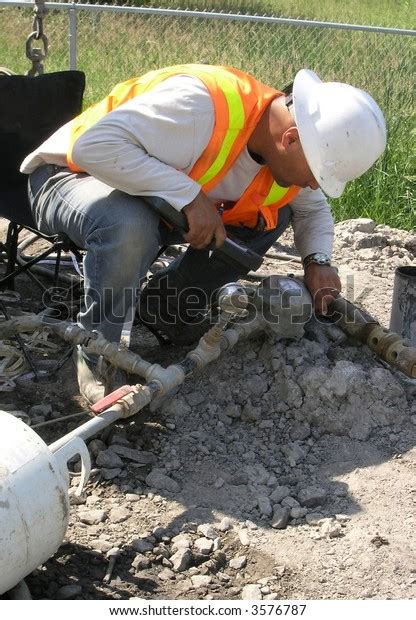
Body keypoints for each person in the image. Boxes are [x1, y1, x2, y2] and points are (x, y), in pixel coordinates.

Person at [20, 64, 386, 404]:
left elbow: (313, 210)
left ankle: (166, 306)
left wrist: (317, 260)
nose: (313, 184)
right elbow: (92, 147)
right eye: (317, 174)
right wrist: (190, 196)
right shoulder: (200, 108)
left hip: (150, 205)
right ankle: (98, 349)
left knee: (274, 213)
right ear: (291, 138)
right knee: (129, 225)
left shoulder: (289, 148)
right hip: (69, 177)